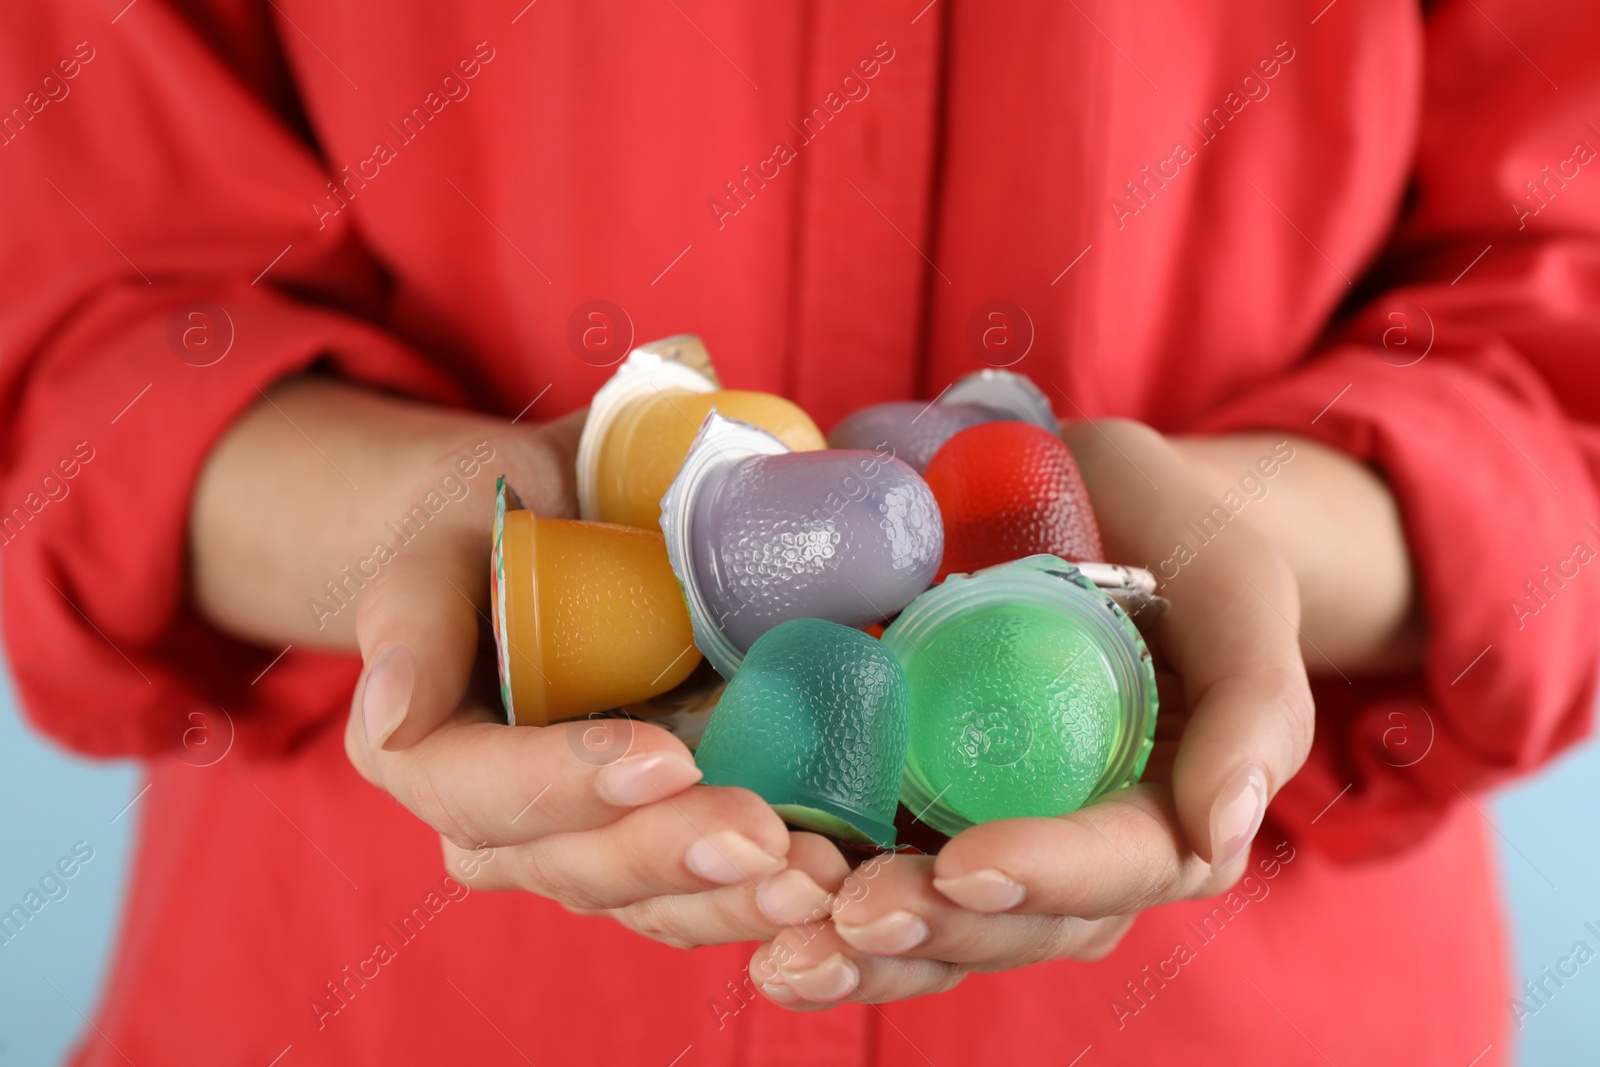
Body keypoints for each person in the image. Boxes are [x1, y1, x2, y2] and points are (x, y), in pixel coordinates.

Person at [2, 1, 1596, 1063]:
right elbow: (83, 317)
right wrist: (419, 529)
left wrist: (1257, 538)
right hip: (369, 984)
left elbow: (1561, 350)